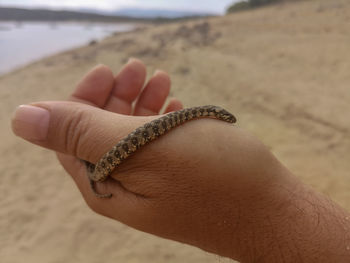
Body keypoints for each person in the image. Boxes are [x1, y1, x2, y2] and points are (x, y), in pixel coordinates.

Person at [11, 59, 350, 262]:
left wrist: (263, 217)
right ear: (216, 115)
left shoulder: (205, 117)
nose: (227, 121)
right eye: (224, 118)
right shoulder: (200, 115)